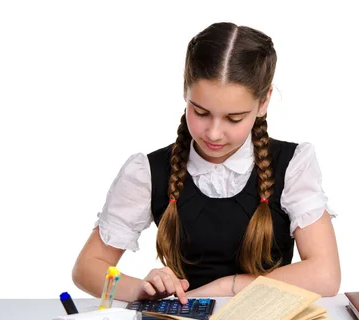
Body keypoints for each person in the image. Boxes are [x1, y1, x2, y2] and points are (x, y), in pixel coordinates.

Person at [72, 22, 341, 305]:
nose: (213, 133)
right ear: (185, 91)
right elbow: (87, 268)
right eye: (200, 112)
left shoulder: (292, 165)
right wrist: (143, 290)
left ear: (264, 102)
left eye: (233, 118)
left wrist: (227, 286)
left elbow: (325, 274)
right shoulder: (148, 172)